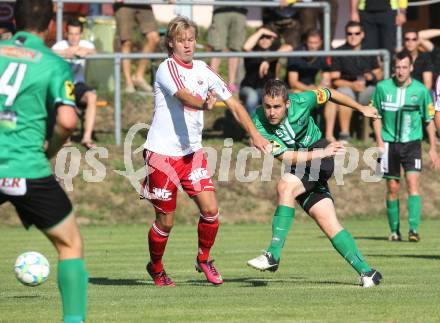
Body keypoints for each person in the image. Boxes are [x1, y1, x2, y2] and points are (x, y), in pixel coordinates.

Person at [141, 16, 270, 287]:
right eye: (181, 41)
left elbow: (233, 103)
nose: (187, 45)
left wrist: (254, 133)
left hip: (192, 154)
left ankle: (204, 258)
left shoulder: (204, 69)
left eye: (191, 39)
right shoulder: (166, 68)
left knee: (211, 210)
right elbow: (184, 97)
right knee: (165, 222)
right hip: (162, 156)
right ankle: (156, 267)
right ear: (171, 44)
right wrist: (203, 105)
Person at [247, 79, 383, 288]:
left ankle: (272, 254)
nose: (271, 112)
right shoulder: (257, 122)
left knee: (285, 187)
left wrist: (360, 108)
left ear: (288, 104)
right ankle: (368, 272)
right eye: (267, 107)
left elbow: (330, 93)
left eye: (277, 107)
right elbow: (286, 157)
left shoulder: (302, 100)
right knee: (328, 222)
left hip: (321, 155)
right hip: (301, 162)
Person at [0, 1, 88, 322]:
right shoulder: (52, 62)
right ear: (51, 25)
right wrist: (50, 150)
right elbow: (67, 120)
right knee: (70, 244)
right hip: (28, 166)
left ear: (13, 19)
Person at [372, 51, 439, 242]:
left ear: (411, 68)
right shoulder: (382, 88)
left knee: (412, 184)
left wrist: (433, 148)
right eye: (397, 67)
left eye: (404, 67)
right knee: (392, 187)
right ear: (394, 69)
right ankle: (394, 231)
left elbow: (429, 120)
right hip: (389, 144)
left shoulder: (420, 91)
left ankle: (414, 230)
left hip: (412, 144)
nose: (401, 71)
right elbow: (375, 115)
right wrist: (379, 142)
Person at [330, 21, 382, 141]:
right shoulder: (339, 51)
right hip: (348, 88)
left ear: (362, 34)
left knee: (379, 93)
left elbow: (379, 73)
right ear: (346, 35)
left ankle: (378, 135)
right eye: (350, 33)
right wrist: (352, 85)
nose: (353, 36)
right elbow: (335, 79)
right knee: (343, 94)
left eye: (357, 33)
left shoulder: (370, 50)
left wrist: (372, 76)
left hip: (367, 88)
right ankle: (344, 135)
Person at [52, 18, 97, 149]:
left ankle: (86, 138)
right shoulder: (60, 45)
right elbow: (49, 53)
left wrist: (83, 51)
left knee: (92, 96)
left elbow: (95, 52)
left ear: (81, 34)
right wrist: (66, 53)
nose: (73, 37)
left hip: (78, 85)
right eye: (71, 34)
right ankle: (64, 138)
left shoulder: (85, 44)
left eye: (76, 34)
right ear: (66, 34)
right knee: (65, 95)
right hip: (63, 85)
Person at [286, 29, 335, 141]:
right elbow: (293, 82)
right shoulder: (296, 53)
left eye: (316, 43)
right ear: (306, 42)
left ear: (320, 42)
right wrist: (310, 89)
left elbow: (327, 78)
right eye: (310, 43)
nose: (313, 46)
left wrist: (324, 84)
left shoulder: (321, 55)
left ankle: (329, 135)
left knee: (331, 97)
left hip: (312, 89)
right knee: (298, 96)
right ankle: (296, 136)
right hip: (296, 89)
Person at [113, 1, 164, 93]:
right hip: (124, 4)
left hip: (142, 3)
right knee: (126, 42)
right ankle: (128, 82)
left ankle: (138, 77)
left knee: (153, 37)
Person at [240, 27, 291, 117]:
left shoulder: (274, 51)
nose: (264, 40)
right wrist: (261, 31)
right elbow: (246, 47)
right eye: (261, 37)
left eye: (267, 37)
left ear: (272, 39)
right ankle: (253, 128)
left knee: (285, 97)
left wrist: (267, 61)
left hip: (266, 89)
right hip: (248, 88)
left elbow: (289, 47)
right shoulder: (253, 51)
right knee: (252, 97)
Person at [207, 1, 248, 93]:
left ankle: (231, 84)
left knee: (235, 48)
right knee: (217, 47)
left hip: (240, 9)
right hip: (220, 8)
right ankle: (211, 83)